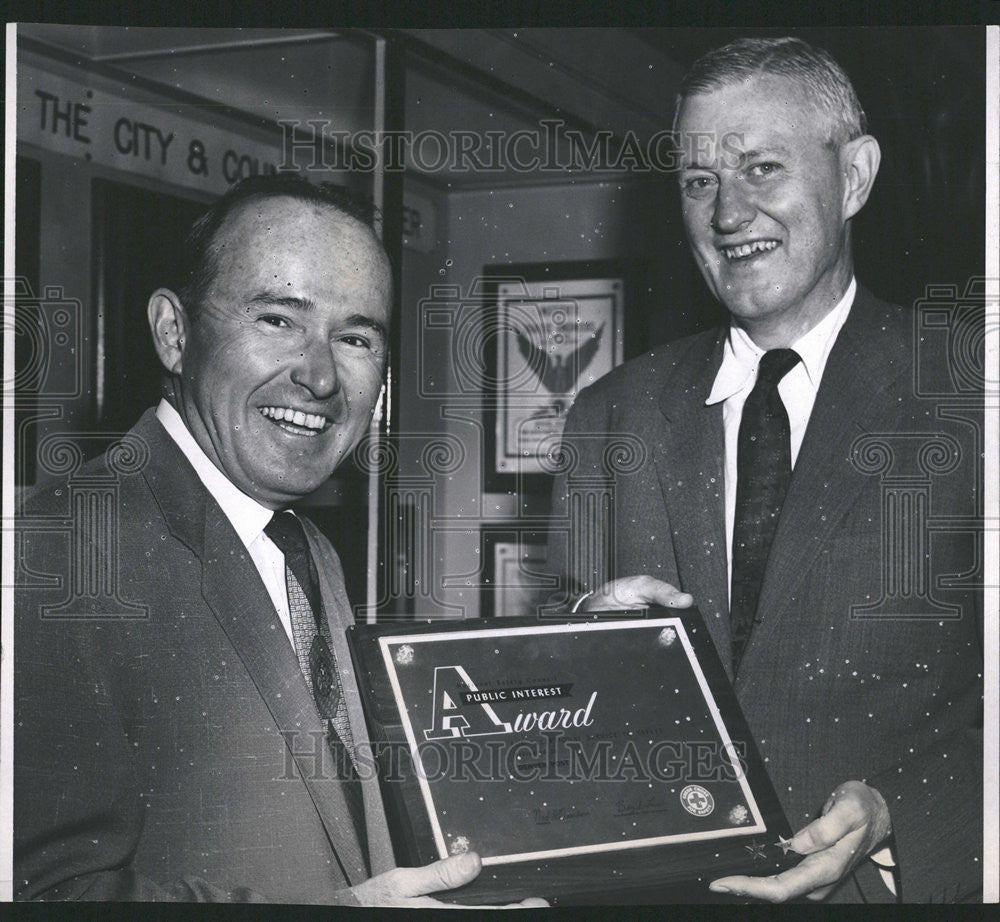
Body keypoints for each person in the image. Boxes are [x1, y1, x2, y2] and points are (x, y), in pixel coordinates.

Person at [13, 174, 542, 906]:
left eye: (354, 337)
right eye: (277, 320)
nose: (320, 376)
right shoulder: (60, 550)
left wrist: (601, 647)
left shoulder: (301, 546)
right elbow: (44, 896)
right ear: (174, 332)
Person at [548, 37, 982, 903]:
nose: (728, 214)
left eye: (762, 168)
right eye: (700, 182)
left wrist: (897, 814)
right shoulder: (609, 414)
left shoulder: (972, 393)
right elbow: (560, 684)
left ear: (854, 177)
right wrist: (586, 630)